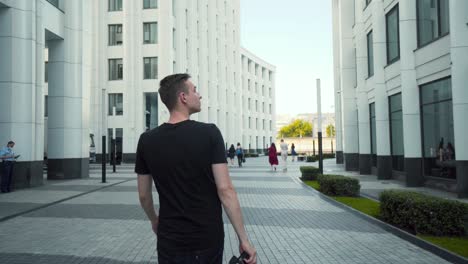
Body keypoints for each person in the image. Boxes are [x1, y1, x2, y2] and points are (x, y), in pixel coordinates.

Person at [134, 74, 256, 264]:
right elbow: (225, 190)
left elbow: (143, 195)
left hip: (169, 240)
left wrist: (154, 220)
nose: (200, 96)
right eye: (195, 90)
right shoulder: (209, 133)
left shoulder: (146, 140)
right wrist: (243, 239)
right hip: (206, 239)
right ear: (183, 97)